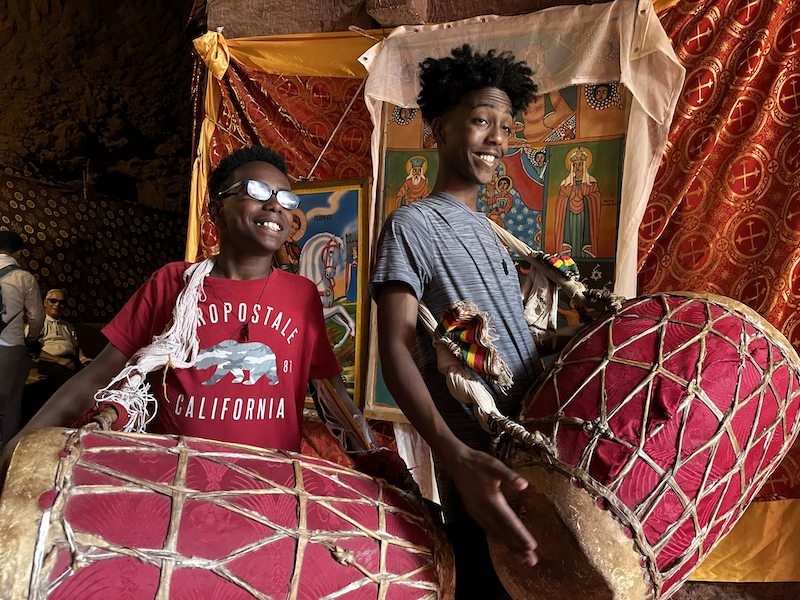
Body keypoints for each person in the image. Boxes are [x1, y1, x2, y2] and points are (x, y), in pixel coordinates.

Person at [1, 146, 350, 469]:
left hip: (266, 489)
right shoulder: (173, 283)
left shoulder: (302, 296)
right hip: (175, 480)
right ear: (216, 210)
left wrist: (380, 464)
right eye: (257, 192)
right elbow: (99, 374)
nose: (275, 205)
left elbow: (334, 401)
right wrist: (21, 442)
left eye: (285, 198)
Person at [369, 44, 540, 598]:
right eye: (480, 121)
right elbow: (395, 349)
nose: (497, 139)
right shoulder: (411, 225)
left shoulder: (494, 235)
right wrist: (454, 454)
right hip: (478, 477)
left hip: (533, 463)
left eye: (506, 127)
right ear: (439, 130)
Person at [0, 230, 44, 448]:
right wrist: (31, 340)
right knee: (9, 408)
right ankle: (4, 461)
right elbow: (36, 318)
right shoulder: (24, 278)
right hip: (10, 349)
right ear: (18, 252)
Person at [36, 288, 92, 387]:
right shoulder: (38, 324)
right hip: (50, 362)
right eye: (53, 301)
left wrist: (83, 358)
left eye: (61, 302)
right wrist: (58, 360)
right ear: (45, 302)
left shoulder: (68, 326)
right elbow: (33, 351)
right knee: (71, 379)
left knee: (94, 371)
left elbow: (76, 347)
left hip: (72, 360)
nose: (57, 305)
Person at [554, 146, 602, 258]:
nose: (577, 168)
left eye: (580, 164)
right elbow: (560, 201)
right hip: (569, 217)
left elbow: (596, 198)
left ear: (585, 165)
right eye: (575, 165)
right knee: (571, 234)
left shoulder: (591, 183)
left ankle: (584, 254)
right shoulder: (566, 184)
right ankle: (570, 254)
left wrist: (585, 198)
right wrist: (569, 198)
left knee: (582, 234)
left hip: (584, 217)